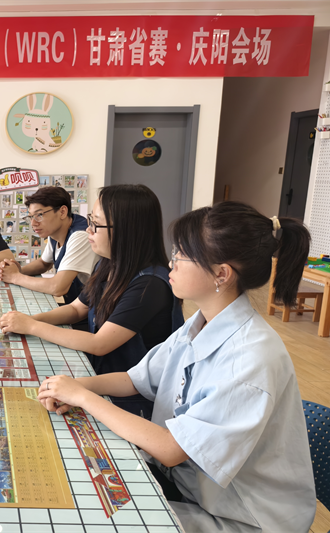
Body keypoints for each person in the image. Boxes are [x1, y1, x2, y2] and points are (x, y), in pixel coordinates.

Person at [37, 201, 315, 533]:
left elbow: (171, 449)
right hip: (190, 487)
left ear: (221, 274)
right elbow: (135, 379)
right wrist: (77, 387)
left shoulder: (250, 358)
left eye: (182, 255)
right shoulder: (199, 323)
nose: (171, 263)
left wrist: (84, 398)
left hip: (240, 517)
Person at [0, 184, 183, 419]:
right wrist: (29, 320)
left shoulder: (150, 285)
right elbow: (77, 308)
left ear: (126, 229)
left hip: (134, 398)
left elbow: (99, 343)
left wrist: (33, 326)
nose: (88, 229)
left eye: (96, 224)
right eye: (89, 220)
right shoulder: (108, 263)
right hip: (101, 376)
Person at [0, 186, 98, 327]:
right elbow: (43, 263)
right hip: (76, 308)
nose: (33, 223)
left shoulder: (80, 235)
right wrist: (16, 270)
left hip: (92, 316)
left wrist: (14, 277)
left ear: (62, 212)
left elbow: (58, 287)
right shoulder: (56, 232)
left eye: (39, 215)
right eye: (31, 217)